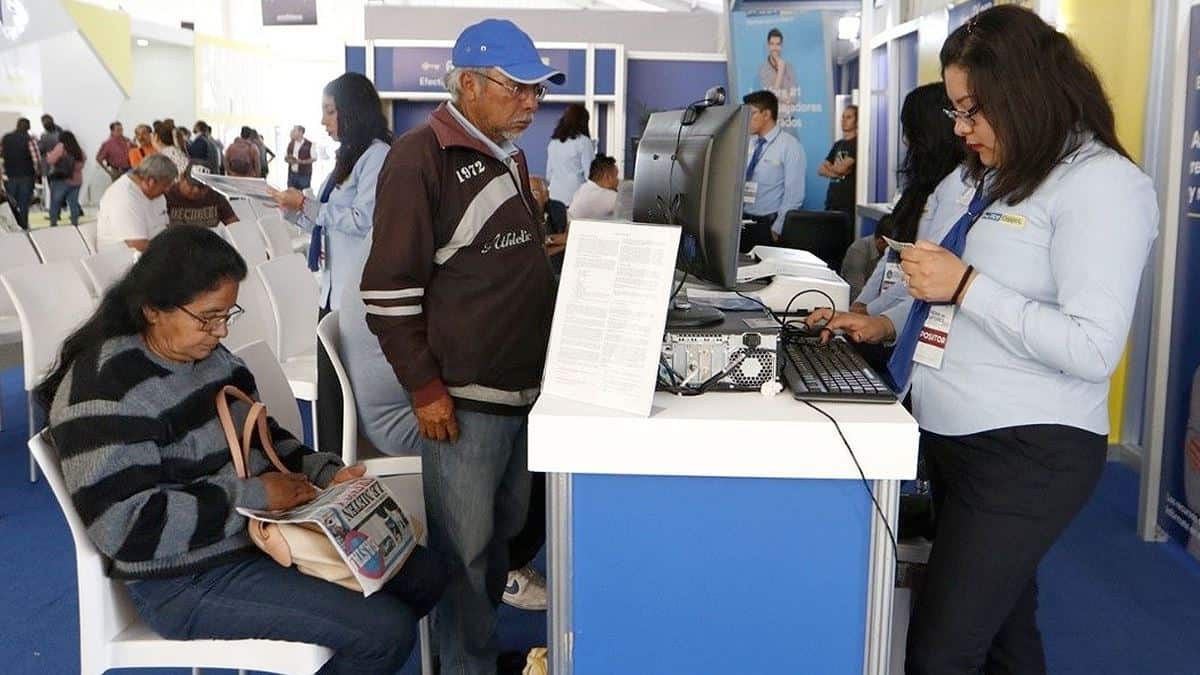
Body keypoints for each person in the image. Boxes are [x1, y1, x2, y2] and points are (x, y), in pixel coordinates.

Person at [812, 8, 1158, 673]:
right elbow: (935, 285)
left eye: (973, 112)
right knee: (1005, 632)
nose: (963, 130)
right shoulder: (989, 174)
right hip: (955, 440)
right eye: (956, 114)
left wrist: (968, 285)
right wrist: (887, 322)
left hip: (1028, 452)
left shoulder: (1103, 185)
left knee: (943, 651)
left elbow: (1091, 347)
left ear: (1023, 93)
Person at [38, 225, 446, 675]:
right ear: (152, 308)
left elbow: (261, 434)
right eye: (208, 317)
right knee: (383, 633)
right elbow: (127, 527)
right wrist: (253, 497)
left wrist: (324, 473)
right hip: (183, 578)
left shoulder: (203, 354)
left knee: (426, 576)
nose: (222, 330)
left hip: (255, 536)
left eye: (228, 313)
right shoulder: (103, 393)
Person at [363, 18, 562, 673]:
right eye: (518, 88)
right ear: (468, 83)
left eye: (538, 89)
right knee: (464, 556)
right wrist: (424, 387)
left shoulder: (508, 153)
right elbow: (389, 293)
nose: (532, 102)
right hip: (463, 400)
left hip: (519, 390)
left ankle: (475, 654)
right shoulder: (418, 158)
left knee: (500, 544)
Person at [270, 72, 393, 459]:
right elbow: (329, 220)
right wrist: (292, 209)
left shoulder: (377, 156)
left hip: (352, 292)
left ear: (351, 111)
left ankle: (346, 463)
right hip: (331, 287)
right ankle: (333, 462)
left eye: (329, 112)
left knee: (345, 389)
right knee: (332, 389)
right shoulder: (348, 157)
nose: (323, 121)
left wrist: (306, 206)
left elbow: (363, 220)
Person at [848, 82, 967, 316]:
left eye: (910, 130)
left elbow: (925, 269)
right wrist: (862, 303)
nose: (905, 141)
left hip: (906, 315)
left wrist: (871, 311)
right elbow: (893, 253)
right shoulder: (918, 187)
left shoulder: (957, 187)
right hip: (886, 314)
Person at [741, 89, 806, 251]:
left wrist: (777, 227)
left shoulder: (790, 146)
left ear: (766, 114)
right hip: (743, 222)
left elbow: (794, 194)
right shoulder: (748, 143)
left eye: (752, 113)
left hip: (768, 226)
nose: (747, 119)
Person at [96, 153, 176, 252]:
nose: (168, 189)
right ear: (150, 181)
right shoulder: (125, 198)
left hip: (155, 253)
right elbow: (137, 245)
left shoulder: (156, 193)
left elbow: (165, 227)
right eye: (166, 185)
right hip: (125, 261)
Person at [545, 103, 594, 207]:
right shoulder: (584, 142)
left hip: (555, 195)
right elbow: (590, 175)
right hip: (575, 197)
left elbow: (549, 175)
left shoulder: (554, 142)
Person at [166, 162, 238, 228]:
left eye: (202, 187)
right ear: (182, 178)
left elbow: (234, 225)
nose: (196, 191)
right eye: (192, 185)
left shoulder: (216, 196)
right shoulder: (168, 195)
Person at [840, 214, 892, 303]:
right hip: (856, 305)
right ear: (881, 242)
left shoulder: (892, 255)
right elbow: (856, 294)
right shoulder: (858, 251)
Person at [0, 118, 41, 229]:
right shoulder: (30, 140)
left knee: (11, 204)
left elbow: (1, 154)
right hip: (26, 176)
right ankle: (23, 227)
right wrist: (38, 175)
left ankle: (12, 226)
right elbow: (36, 160)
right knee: (23, 204)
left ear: (17, 125)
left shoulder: (6, 138)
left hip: (10, 176)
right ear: (28, 128)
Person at [819, 105, 858, 218]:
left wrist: (834, 169)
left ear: (856, 121)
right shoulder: (838, 144)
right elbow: (821, 170)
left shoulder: (856, 144)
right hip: (831, 201)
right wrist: (838, 172)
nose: (844, 120)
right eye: (843, 117)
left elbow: (840, 168)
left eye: (849, 117)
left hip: (846, 203)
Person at [45, 130, 85, 227]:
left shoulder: (61, 147)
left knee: (55, 201)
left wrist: (48, 155)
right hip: (77, 180)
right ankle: (74, 222)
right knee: (73, 203)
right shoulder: (78, 149)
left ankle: (53, 222)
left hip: (62, 179)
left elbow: (51, 160)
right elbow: (82, 162)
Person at [567, 154, 619, 220]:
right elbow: (630, 206)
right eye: (616, 176)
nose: (618, 181)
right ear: (607, 177)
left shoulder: (585, 188)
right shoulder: (603, 195)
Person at [757, 28, 797, 104]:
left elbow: (794, 98)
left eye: (778, 44)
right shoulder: (763, 69)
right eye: (772, 44)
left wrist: (782, 96)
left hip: (789, 115)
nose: (775, 48)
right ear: (768, 46)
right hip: (774, 115)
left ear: (781, 46)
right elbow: (771, 97)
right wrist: (780, 71)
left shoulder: (789, 67)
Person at [286, 125, 315, 190]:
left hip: (304, 175)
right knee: (290, 195)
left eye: (294, 131)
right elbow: (286, 156)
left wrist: (301, 162)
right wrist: (288, 159)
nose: (292, 132)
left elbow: (314, 159)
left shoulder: (310, 144)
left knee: (303, 195)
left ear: (300, 132)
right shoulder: (291, 143)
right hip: (292, 175)